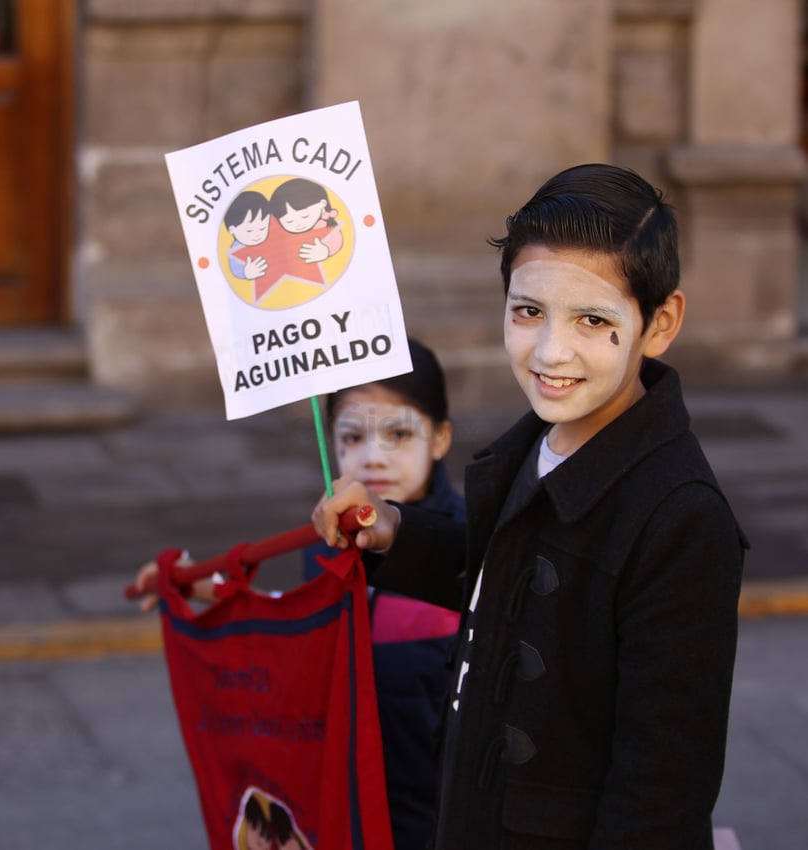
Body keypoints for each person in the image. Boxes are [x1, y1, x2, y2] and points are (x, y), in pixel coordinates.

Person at [312, 163, 748, 850]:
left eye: (593, 319)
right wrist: (393, 530)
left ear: (660, 323)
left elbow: (660, 794)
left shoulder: (682, 520)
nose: (551, 351)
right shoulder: (532, 448)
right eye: (528, 311)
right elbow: (501, 576)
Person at [303, 338, 464, 850]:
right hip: (346, 816)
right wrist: (204, 588)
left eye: (399, 433)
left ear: (440, 438)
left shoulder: (474, 547)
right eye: (352, 436)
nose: (373, 457)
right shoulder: (322, 546)